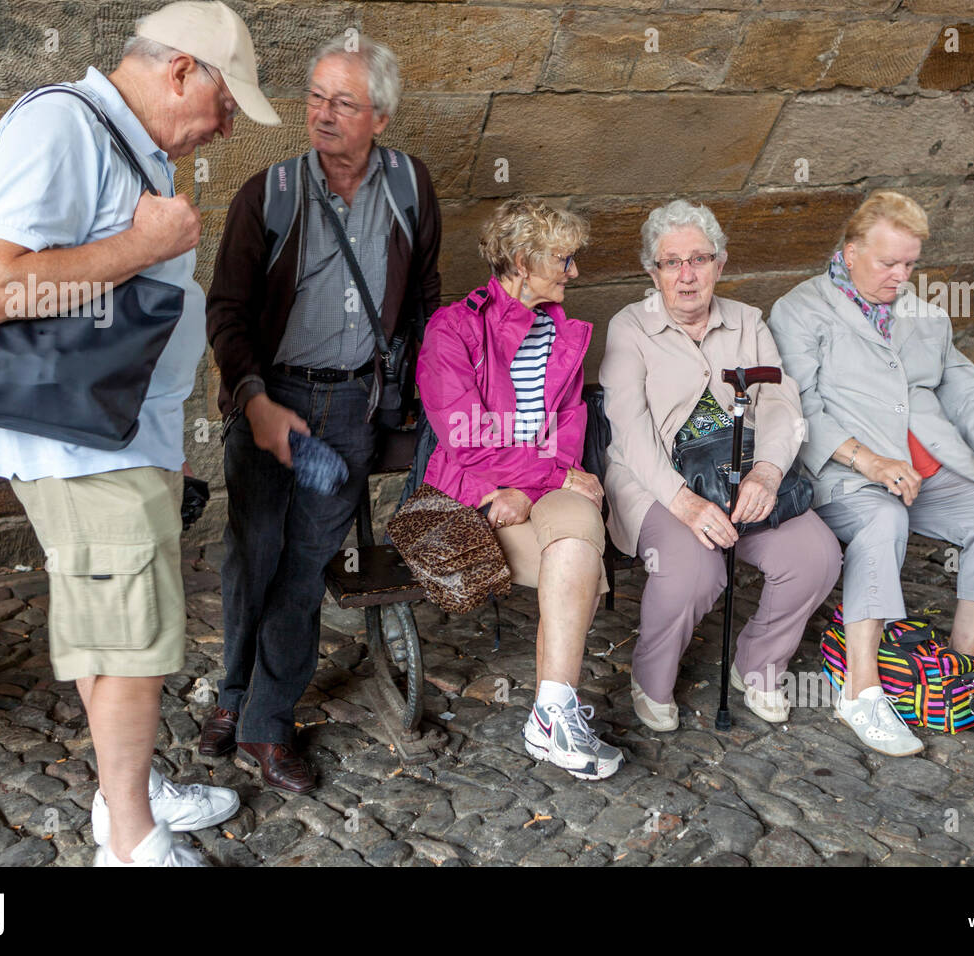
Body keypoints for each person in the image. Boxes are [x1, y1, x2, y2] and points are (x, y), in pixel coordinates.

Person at [0, 1, 281, 865]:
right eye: (222, 106)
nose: (220, 130)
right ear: (181, 71)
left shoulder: (113, 138)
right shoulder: (62, 126)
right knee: (133, 640)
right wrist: (144, 246)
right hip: (83, 444)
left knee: (115, 627)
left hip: (117, 435)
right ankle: (132, 841)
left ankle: (125, 791)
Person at [203, 34, 442, 793]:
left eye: (344, 102)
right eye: (315, 97)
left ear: (381, 115)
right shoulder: (266, 194)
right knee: (251, 559)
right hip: (269, 400)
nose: (323, 114)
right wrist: (252, 398)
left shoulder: (410, 188)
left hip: (349, 408)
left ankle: (266, 726)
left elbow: (426, 293)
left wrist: (418, 388)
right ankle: (233, 694)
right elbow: (228, 314)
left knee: (304, 569)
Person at [768, 190, 974, 758]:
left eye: (910, 263)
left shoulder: (923, 314)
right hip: (844, 472)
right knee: (882, 522)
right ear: (851, 250)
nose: (900, 275)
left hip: (926, 469)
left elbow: (960, 382)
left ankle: (966, 664)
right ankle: (860, 690)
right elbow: (796, 406)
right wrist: (866, 458)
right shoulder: (801, 309)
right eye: (888, 262)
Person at [600, 200, 841, 731]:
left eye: (699, 260)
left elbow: (779, 402)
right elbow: (630, 429)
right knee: (691, 570)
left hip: (740, 470)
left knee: (816, 556)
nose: (687, 276)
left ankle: (758, 664)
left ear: (721, 264)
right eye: (671, 262)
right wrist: (683, 502)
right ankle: (652, 674)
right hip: (658, 479)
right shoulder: (629, 328)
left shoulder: (748, 322)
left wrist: (770, 472)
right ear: (652, 271)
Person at [416, 198, 623, 780]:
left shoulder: (561, 332)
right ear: (522, 260)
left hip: (529, 487)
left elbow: (570, 424)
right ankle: (553, 717)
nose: (574, 271)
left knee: (581, 526)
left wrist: (538, 488)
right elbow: (468, 440)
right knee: (574, 538)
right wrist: (551, 478)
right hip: (471, 494)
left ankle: (552, 713)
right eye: (564, 258)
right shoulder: (452, 330)